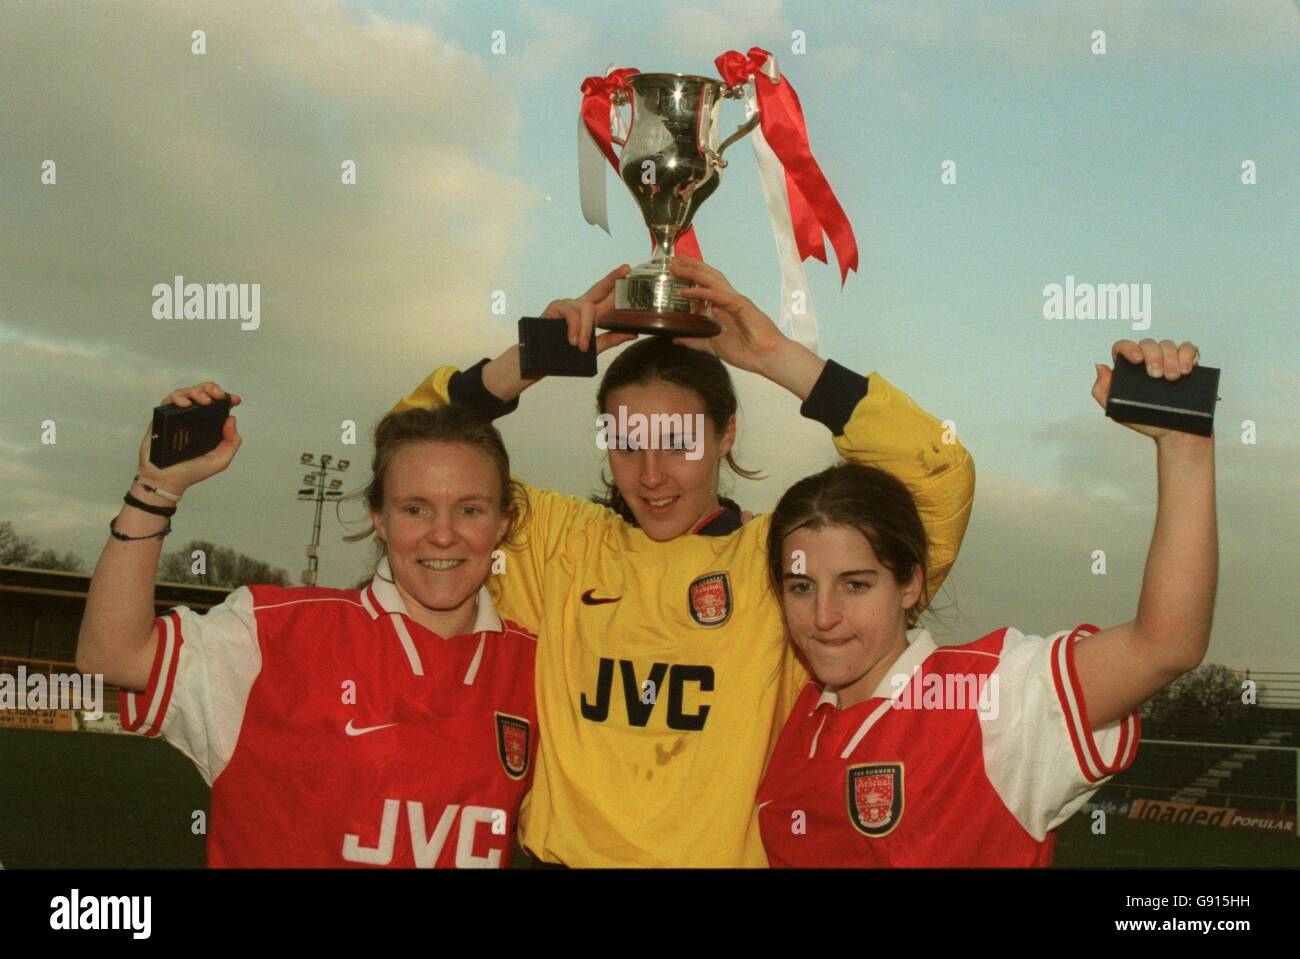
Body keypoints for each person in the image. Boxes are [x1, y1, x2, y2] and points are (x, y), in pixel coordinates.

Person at [389, 258, 976, 866]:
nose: (650, 475)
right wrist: (528, 360)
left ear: (726, 435)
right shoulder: (560, 543)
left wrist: (774, 355)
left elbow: (937, 473)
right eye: (628, 442)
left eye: (677, 443)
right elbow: (407, 454)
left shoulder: (782, 558)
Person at [757, 338, 1215, 866]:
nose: (824, 616)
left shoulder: (984, 696)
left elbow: (1166, 645)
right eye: (801, 587)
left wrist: (1184, 448)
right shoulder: (797, 719)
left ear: (909, 584)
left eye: (855, 584)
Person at [76, 385, 539, 868]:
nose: (443, 534)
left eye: (470, 509)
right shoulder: (275, 632)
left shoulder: (539, 665)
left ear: (503, 522)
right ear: (379, 518)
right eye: (415, 509)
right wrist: (155, 490)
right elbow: (112, 656)